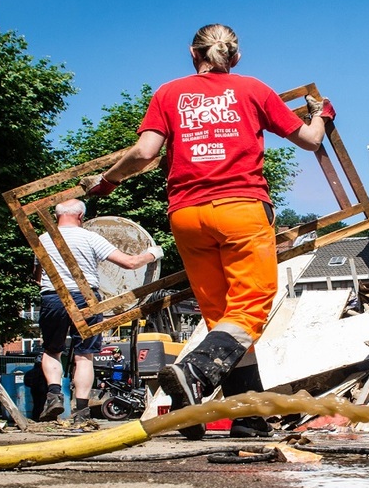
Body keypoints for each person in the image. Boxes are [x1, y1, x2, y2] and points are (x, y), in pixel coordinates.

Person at [81, 23, 335, 440]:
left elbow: (145, 152)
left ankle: (248, 419)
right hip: (241, 209)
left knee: (225, 319)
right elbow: (309, 139)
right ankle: (194, 372)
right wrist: (321, 113)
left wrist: (106, 182)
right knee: (250, 308)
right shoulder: (253, 89)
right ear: (235, 56)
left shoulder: (168, 93)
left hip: (187, 215)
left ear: (191, 53)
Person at [35, 199, 163, 422]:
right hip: (86, 298)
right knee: (84, 356)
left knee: (52, 350)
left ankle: (54, 395)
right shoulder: (90, 237)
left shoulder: (43, 240)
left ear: (56, 217)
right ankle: (82, 411)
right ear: (81, 217)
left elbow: (37, 276)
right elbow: (130, 263)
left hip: (52, 297)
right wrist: (153, 254)